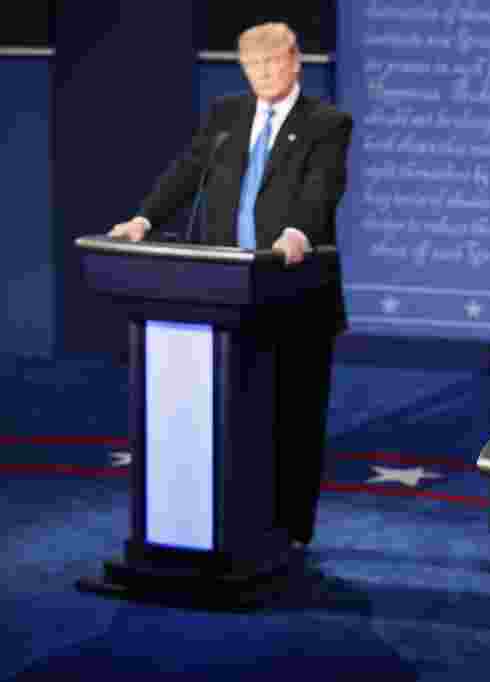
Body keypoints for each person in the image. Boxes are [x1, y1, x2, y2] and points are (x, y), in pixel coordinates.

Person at [108, 22, 353, 550]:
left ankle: (290, 533)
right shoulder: (226, 116)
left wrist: (297, 232)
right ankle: (231, 520)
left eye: (272, 63)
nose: (263, 74)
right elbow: (185, 171)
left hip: (292, 288)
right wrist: (143, 220)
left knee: (293, 415)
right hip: (221, 291)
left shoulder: (327, 123)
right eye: (253, 66)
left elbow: (323, 186)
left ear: (295, 62)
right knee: (230, 410)